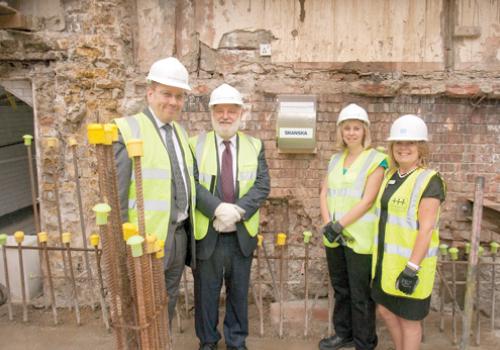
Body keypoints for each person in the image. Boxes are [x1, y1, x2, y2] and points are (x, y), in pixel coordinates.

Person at [114, 57, 197, 323]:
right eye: (166, 94)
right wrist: (127, 243)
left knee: (167, 302)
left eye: (179, 96)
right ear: (150, 93)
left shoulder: (181, 133)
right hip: (145, 240)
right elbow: (117, 197)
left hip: (178, 236)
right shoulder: (129, 129)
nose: (173, 102)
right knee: (144, 310)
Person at [190, 83, 270, 350]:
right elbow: (191, 184)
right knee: (206, 294)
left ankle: (236, 342)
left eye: (231, 111)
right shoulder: (195, 145)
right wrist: (217, 208)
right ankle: (208, 342)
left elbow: (261, 185)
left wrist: (236, 212)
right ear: (212, 112)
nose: (225, 116)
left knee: (238, 293)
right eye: (220, 110)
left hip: (240, 235)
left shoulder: (255, 145)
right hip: (208, 233)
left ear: (240, 113)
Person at [371, 114, 445, 350]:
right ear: (392, 148)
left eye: (410, 143)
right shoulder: (390, 176)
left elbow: (426, 229)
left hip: (412, 266)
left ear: (421, 147)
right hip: (386, 264)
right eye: (399, 144)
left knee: (409, 320)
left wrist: (411, 269)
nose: (404, 148)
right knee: (385, 310)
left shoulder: (429, 180)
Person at [319, 103, 387, 350]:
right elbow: (325, 192)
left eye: (356, 128)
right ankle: (343, 334)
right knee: (341, 289)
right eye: (347, 128)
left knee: (360, 294)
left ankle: (364, 342)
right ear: (341, 131)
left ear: (364, 131)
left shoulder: (377, 159)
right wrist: (328, 223)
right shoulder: (335, 159)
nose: (351, 133)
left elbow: (368, 199)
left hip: (359, 237)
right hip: (333, 236)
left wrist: (339, 224)